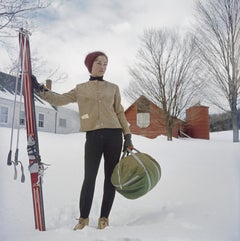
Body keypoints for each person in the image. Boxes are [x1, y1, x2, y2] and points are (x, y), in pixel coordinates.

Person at [31, 51, 133, 230]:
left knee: (110, 179)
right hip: (93, 136)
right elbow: (60, 99)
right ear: (90, 65)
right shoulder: (80, 88)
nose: (103, 67)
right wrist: (40, 90)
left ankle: (104, 218)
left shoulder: (113, 87)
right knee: (89, 178)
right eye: (99, 63)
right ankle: (83, 219)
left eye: (105, 64)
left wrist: (128, 136)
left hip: (114, 135)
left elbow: (119, 112)